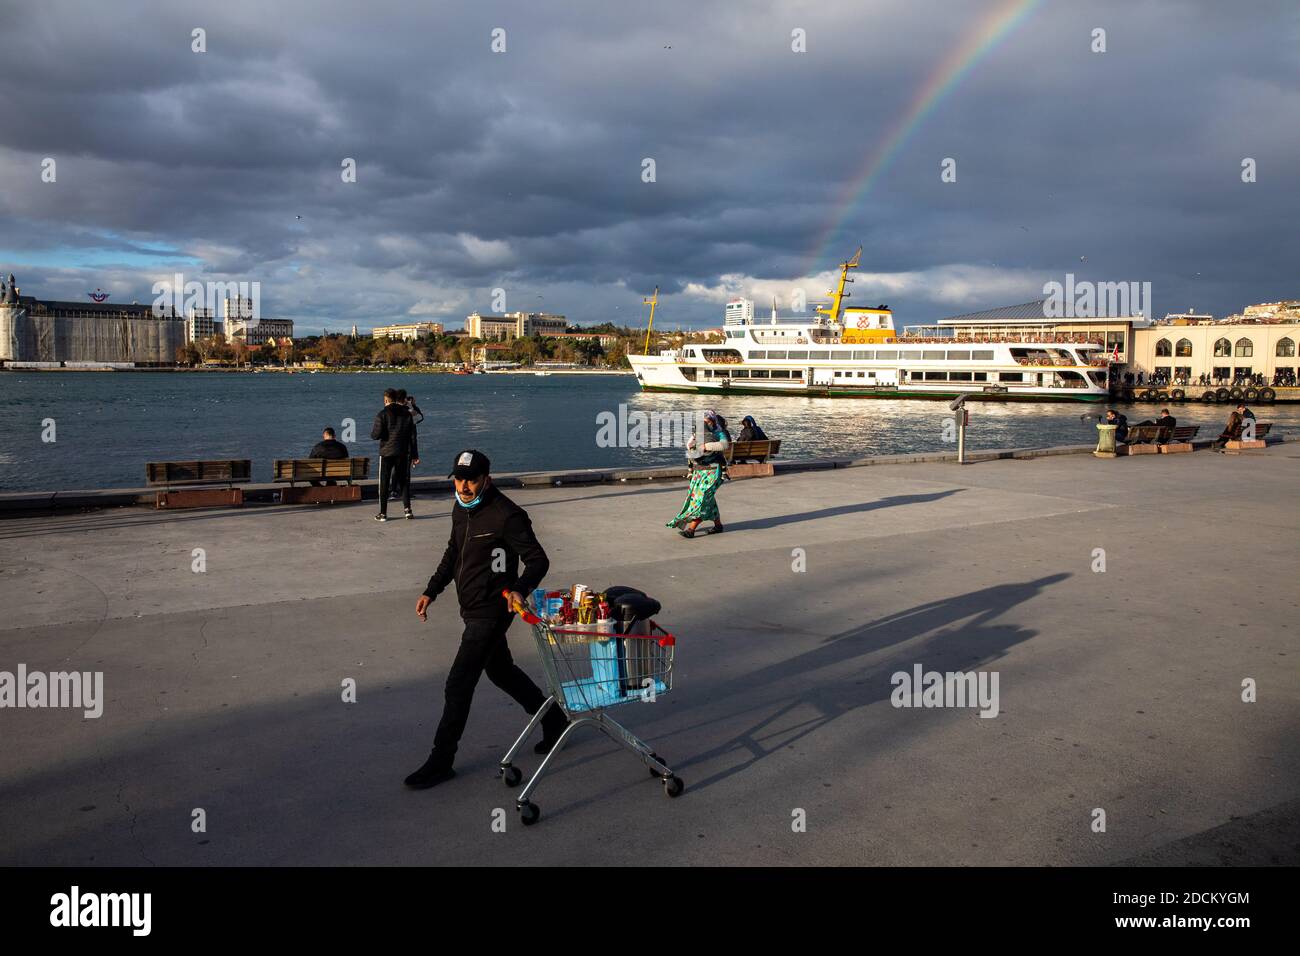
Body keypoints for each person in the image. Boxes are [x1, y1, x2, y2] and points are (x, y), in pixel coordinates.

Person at [405, 449, 568, 789]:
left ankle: (441, 760)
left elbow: (538, 560)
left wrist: (520, 589)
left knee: (458, 683)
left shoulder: (506, 515)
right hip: (471, 606)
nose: (463, 486)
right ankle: (554, 720)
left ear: (486, 479)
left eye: (471, 480)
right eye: (459, 479)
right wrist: (431, 590)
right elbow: (454, 552)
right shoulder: (460, 508)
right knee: (500, 670)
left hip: (492, 611)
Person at [667, 410, 730, 538]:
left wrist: (705, 446)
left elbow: (724, 445)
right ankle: (718, 525)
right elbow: (689, 445)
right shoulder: (699, 432)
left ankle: (691, 529)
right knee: (707, 499)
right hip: (700, 471)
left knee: (702, 499)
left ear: (712, 421)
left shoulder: (719, 432)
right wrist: (691, 447)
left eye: (706, 421)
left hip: (714, 471)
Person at [370, 388, 419, 520]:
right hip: (403, 452)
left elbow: (375, 435)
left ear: (386, 399)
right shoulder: (407, 414)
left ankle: (383, 513)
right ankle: (407, 510)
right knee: (403, 481)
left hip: (386, 452)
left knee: (384, 483)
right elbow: (412, 436)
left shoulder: (382, 414)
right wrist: (415, 454)